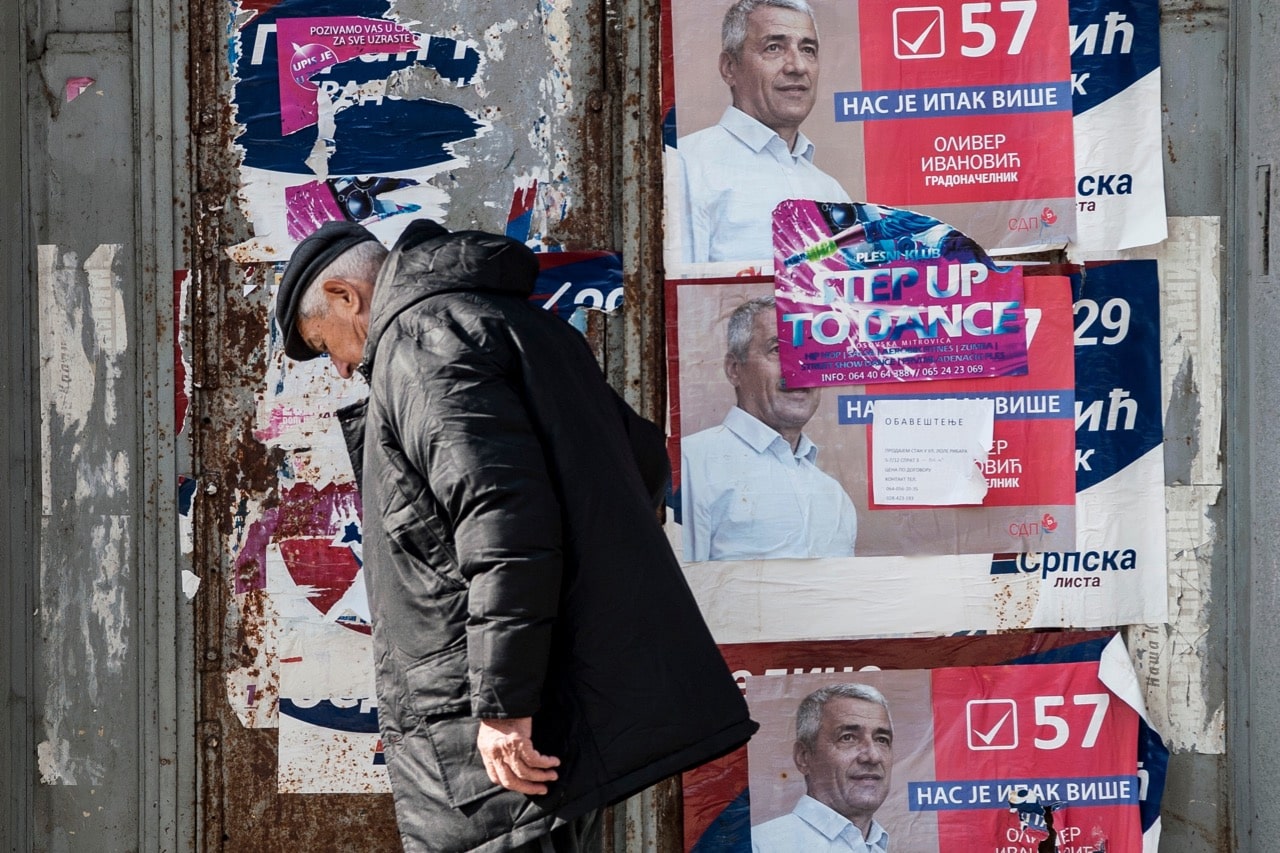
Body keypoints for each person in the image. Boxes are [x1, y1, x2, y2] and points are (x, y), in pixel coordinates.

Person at [274, 220, 757, 852]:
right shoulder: (515, 324)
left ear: (345, 296)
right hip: (546, 709)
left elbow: (501, 520)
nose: (340, 367)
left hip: (495, 734)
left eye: (325, 342)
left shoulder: (419, 346)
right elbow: (640, 464)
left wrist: (503, 704)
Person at [671, 0, 851, 264]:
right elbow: (678, 297)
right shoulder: (685, 166)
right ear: (729, 68)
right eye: (774, 48)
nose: (797, 66)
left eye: (808, 49)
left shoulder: (830, 191)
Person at [681, 296, 857, 561]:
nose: (799, 371)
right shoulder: (690, 464)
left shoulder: (834, 495)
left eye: (811, 353)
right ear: (733, 369)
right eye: (778, 350)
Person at [752, 683, 894, 853]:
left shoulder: (880, 847)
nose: (873, 756)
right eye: (848, 738)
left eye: (881, 739)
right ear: (804, 757)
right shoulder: (760, 845)